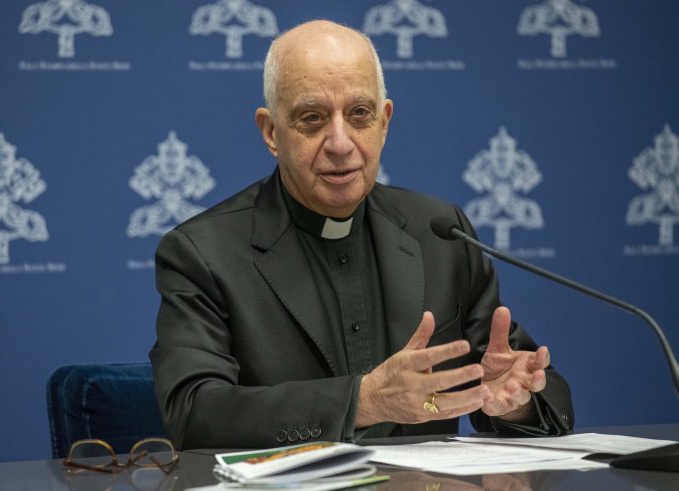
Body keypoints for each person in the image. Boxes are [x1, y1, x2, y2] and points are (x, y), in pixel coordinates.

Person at [150, 20, 573, 450]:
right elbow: (194, 412)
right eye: (312, 118)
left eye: (359, 115)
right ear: (272, 132)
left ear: (384, 122)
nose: (340, 143)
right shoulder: (204, 253)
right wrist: (363, 401)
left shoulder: (441, 233)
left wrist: (514, 402)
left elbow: (524, 380)